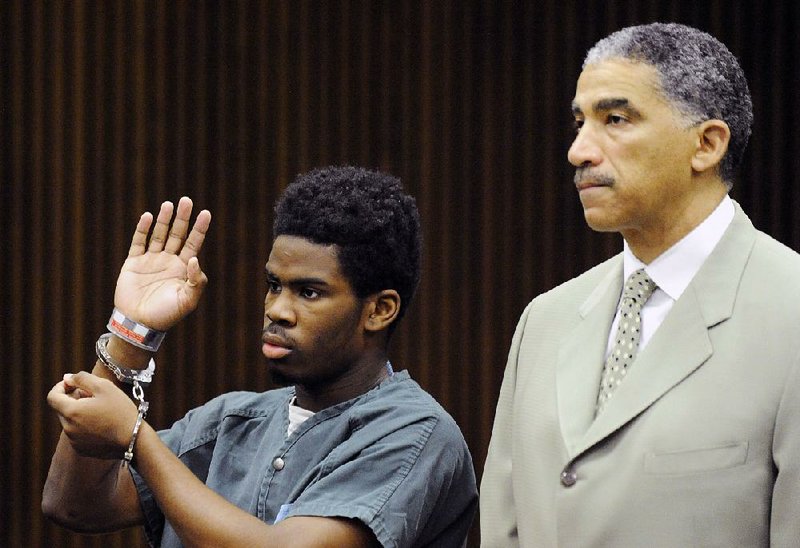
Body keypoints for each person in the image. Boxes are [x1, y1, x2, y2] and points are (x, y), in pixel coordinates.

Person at [480, 22, 800, 547]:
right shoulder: (546, 318)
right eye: (579, 123)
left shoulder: (791, 312)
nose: (579, 151)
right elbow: (504, 525)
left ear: (706, 144)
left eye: (616, 119)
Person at [43, 166, 477, 547]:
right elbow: (74, 505)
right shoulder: (231, 420)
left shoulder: (416, 434)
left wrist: (137, 438)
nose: (276, 310)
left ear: (379, 310)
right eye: (274, 285)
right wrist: (131, 332)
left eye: (308, 292)